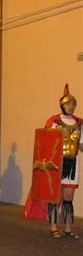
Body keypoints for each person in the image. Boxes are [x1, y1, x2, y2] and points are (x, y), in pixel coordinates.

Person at [25, 84, 82, 239]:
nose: (71, 106)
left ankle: (68, 228)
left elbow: (81, 145)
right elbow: (45, 143)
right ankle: (53, 226)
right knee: (54, 195)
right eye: (68, 104)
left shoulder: (79, 123)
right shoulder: (54, 121)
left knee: (68, 196)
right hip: (56, 163)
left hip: (72, 164)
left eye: (73, 104)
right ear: (62, 105)